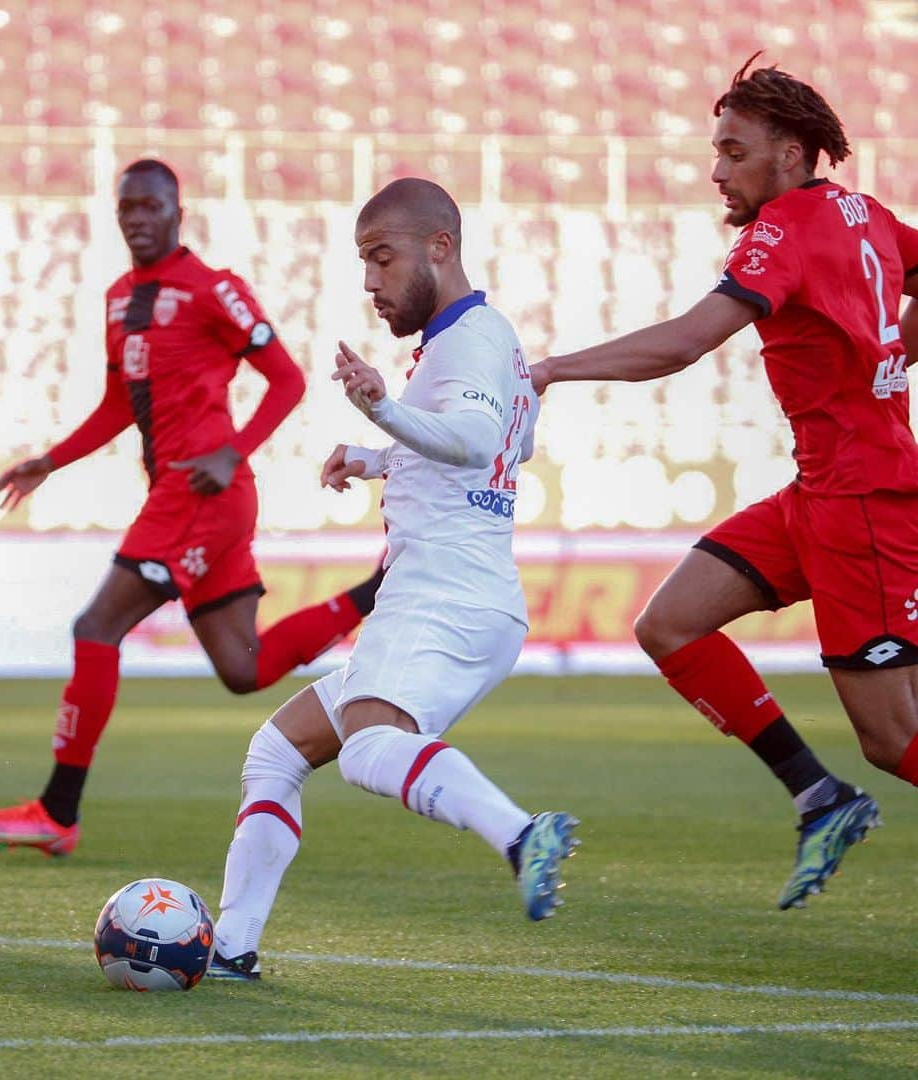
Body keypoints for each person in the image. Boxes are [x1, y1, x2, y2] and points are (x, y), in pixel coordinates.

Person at [531, 56, 918, 910]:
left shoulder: (782, 227)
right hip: (819, 495)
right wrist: (893, 352)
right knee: (669, 624)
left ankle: (839, 792)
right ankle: (821, 798)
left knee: (895, 740)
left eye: (733, 151)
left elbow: (680, 345)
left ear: (788, 154)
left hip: (862, 507)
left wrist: (552, 368)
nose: (717, 171)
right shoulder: (868, 216)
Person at [201, 177, 579, 982]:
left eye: (382, 258)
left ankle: (520, 834)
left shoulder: (470, 341)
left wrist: (382, 412)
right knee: (277, 754)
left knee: (373, 747)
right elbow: (506, 453)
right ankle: (232, 948)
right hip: (456, 594)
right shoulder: (481, 340)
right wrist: (380, 458)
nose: (370, 282)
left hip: (445, 596)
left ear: (439, 247)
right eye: (363, 264)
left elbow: (477, 442)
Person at [0, 159, 382, 855]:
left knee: (96, 626)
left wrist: (235, 450)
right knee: (242, 667)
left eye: (151, 206)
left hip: (200, 493)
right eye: (127, 207)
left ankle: (57, 811)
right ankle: (377, 591)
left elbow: (287, 379)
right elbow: (118, 405)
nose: (137, 218)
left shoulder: (214, 290)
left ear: (177, 212)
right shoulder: (118, 298)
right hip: (187, 498)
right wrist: (52, 460)